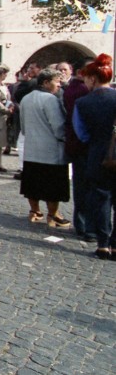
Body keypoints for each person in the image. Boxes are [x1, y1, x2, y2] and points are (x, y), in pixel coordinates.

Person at [73, 54, 116, 260]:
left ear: (92, 79)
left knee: (101, 198)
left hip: (97, 153)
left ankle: (103, 243)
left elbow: (82, 133)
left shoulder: (82, 102)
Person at [19, 68, 71, 227]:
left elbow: (23, 127)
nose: (59, 85)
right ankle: (53, 214)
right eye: (57, 81)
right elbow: (58, 126)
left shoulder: (26, 99)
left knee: (32, 183)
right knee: (52, 185)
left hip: (31, 149)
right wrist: (65, 139)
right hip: (50, 151)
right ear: (46, 82)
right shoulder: (51, 100)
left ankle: (34, 210)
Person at [63, 58, 93, 241]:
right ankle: (85, 225)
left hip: (76, 144)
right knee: (86, 187)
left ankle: (82, 223)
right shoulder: (81, 91)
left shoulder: (71, 89)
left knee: (81, 186)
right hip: (83, 144)